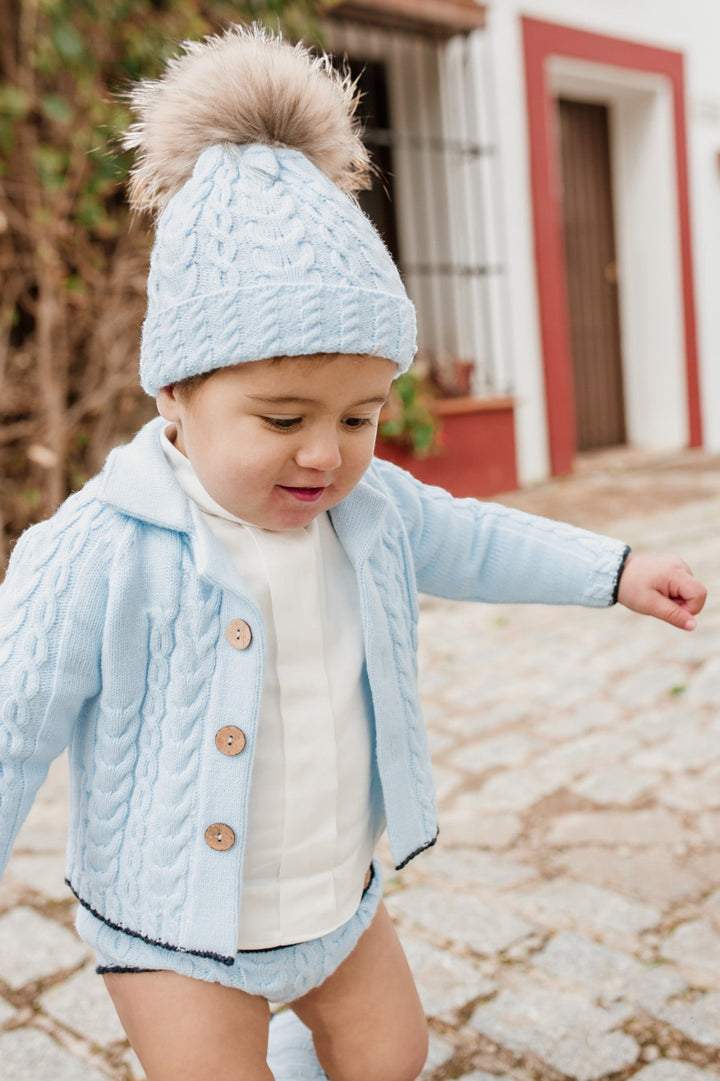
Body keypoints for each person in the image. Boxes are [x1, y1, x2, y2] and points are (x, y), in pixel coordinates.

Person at [0, 25, 706, 1081]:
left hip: (336, 899)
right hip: (173, 934)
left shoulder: (367, 511)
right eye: (282, 418)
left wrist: (615, 570)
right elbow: (11, 726)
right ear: (175, 396)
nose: (326, 454)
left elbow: (476, 534)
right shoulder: (98, 554)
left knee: (393, 1053)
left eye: (363, 415)